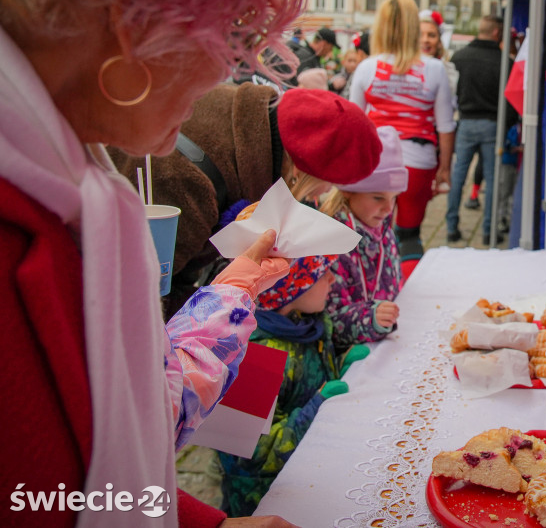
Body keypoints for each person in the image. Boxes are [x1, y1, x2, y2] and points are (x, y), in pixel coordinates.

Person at [0, 0, 329, 526]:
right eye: (226, 38)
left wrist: (235, 289)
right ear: (132, 29)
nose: (224, 76)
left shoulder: (69, 177)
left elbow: (110, 450)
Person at [109, 86, 383, 318]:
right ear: (300, 172)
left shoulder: (240, 122)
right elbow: (143, 298)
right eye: (327, 184)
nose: (317, 196)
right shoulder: (189, 181)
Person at [218, 255, 348, 517]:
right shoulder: (250, 356)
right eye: (321, 273)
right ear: (291, 286)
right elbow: (250, 455)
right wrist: (318, 406)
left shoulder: (304, 324)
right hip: (265, 504)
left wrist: (342, 363)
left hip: (306, 474)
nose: (334, 278)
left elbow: (304, 381)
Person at [348, 0, 455, 266]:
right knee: (409, 235)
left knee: (372, 232)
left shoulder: (366, 67)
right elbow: (445, 125)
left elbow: (353, 123)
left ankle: (375, 290)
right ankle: (409, 293)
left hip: (376, 162)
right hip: (419, 163)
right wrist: (445, 168)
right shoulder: (434, 68)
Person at [319, 126, 407, 351]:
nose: (388, 208)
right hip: (352, 355)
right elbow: (329, 323)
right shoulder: (331, 242)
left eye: (394, 198)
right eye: (378, 197)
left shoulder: (380, 226)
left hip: (388, 340)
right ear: (348, 190)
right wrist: (372, 318)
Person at [445, 15, 512, 244]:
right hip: (493, 124)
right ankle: (488, 232)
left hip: (466, 122)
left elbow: (450, 94)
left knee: (458, 177)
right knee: (492, 180)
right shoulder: (505, 62)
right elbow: (510, 101)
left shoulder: (459, 57)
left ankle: (451, 228)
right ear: (496, 33)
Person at [419, 9, 459, 105]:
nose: (425, 40)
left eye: (431, 35)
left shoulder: (448, 72)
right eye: (420, 35)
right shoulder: (401, 68)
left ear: (439, 42)